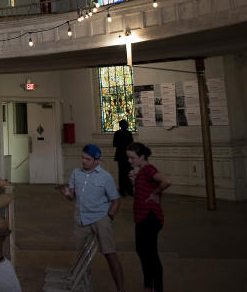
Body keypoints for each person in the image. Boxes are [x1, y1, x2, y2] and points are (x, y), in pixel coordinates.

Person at [60, 144, 124, 292]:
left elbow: (116, 200)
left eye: (87, 159)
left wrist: (109, 218)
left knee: (110, 254)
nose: (83, 161)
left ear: (96, 160)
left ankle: (121, 289)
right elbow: (72, 197)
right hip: (81, 219)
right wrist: (68, 195)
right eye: (82, 157)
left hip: (100, 218)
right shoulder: (76, 173)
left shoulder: (106, 177)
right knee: (82, 257)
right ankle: (83, 286)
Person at [128, 142, 171, 292]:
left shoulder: (148, 169)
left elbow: (166, 181)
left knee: (150, 255)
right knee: (142, 251)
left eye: (132, 158)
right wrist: (134, 181)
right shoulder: (142, 171)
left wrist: (155, 193)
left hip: (149, 217)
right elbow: (140, 192)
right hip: (142, 217)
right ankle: (149, 285)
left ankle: (154, 287)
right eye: (129, 158)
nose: (130, 161)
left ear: (142, 157)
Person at [113, 120, 135, 196]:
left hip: (120, 156)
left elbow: (115, 144)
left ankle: (122, 192)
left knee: (121, 174)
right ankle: (130, 191)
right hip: (128, 156)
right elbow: (132, 143)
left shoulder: (117, 133)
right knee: (129, 173)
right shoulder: (128, 133)